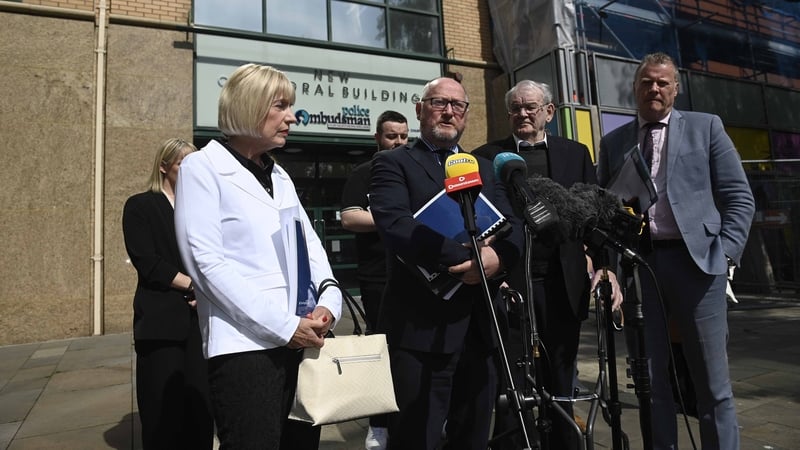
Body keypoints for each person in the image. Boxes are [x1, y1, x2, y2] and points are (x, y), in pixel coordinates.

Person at [174, 63, 342, 450]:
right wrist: (284, 326)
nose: (292, 117)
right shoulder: (202, 167)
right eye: (281, 106)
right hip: (245, 350)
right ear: (249, 106)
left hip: (303, 340)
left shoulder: (279, 175)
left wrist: (329, 304)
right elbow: (205, 264)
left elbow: (310, 246)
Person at [597, 52, 755, 450]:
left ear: (675, 89)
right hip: (640, 268)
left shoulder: (707, 127)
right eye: (647, 82)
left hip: (697, 265)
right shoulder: (613, 141)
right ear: (635, 88)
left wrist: (725, 255)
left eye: (662, 82)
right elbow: (603, 212)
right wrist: (610, 267)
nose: (654, 88)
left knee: (711, 382)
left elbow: (739, 198)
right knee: (651, 382)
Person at [369, 76, 524, 450]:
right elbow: (396, 226)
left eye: (458, 105)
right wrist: (468, 260)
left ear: (466, 115)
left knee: (472, 438)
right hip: (420, 331)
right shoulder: (393, 163)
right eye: (439, 102)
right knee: (415, 439)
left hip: (481, 330)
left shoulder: (485, 167)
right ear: (420, 110)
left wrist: (497, 258)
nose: (449, 111)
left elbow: (515, 226)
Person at [473, 80, 622, 450]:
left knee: (561, 377)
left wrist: (605, 267)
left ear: (549, 112)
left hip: (563, 283)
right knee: (513, 382)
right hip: (509, 285)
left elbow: (596, 215)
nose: (523, 113)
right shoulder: (486, 157)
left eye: (531, 107)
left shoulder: (575, 153)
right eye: (516, 108)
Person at [122, 138, 214, 450]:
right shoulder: (140, 206)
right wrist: (194, 286)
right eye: (182, 164)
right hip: (161, 322)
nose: (190, 171)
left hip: (199, 322)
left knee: (200, 409)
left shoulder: (201, 209)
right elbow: (148, 262)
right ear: (164, 167)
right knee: (163, 411)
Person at [339, 110, 409, 450]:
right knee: (381, 349)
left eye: (403, 136)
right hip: (377, 276)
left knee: (412, 350)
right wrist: (394, 220)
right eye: (391, 136)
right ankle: (378, 424)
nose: (398, 142)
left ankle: (416, 417)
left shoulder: (414, 170)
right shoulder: (364, 173)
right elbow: (350, 218)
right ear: (378, 138)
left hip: (416, 273)